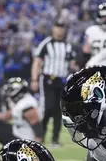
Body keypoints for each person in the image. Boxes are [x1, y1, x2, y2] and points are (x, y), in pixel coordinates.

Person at [31, 19, 75, 147]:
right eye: (58, 27)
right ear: (53, 29)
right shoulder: (46, 44)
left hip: (62, 81)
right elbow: (37, 62)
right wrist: (34, 79)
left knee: (59, 110)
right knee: (47, 107)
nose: (60, 30)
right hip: (48, 79)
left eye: (62, 27)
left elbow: (72, 64)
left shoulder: (68, 46)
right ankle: (41, 136)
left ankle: (55, 140)